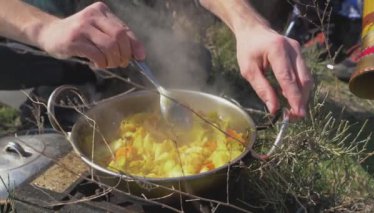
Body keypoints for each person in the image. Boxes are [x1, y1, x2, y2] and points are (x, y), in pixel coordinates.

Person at [0, 0, 313, 121]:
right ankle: (49, 106)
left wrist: (249, 25)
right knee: (61, 100)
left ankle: (97, 82)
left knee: (194, 61)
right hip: (16, 30)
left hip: (92, 11)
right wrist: (43, 27)